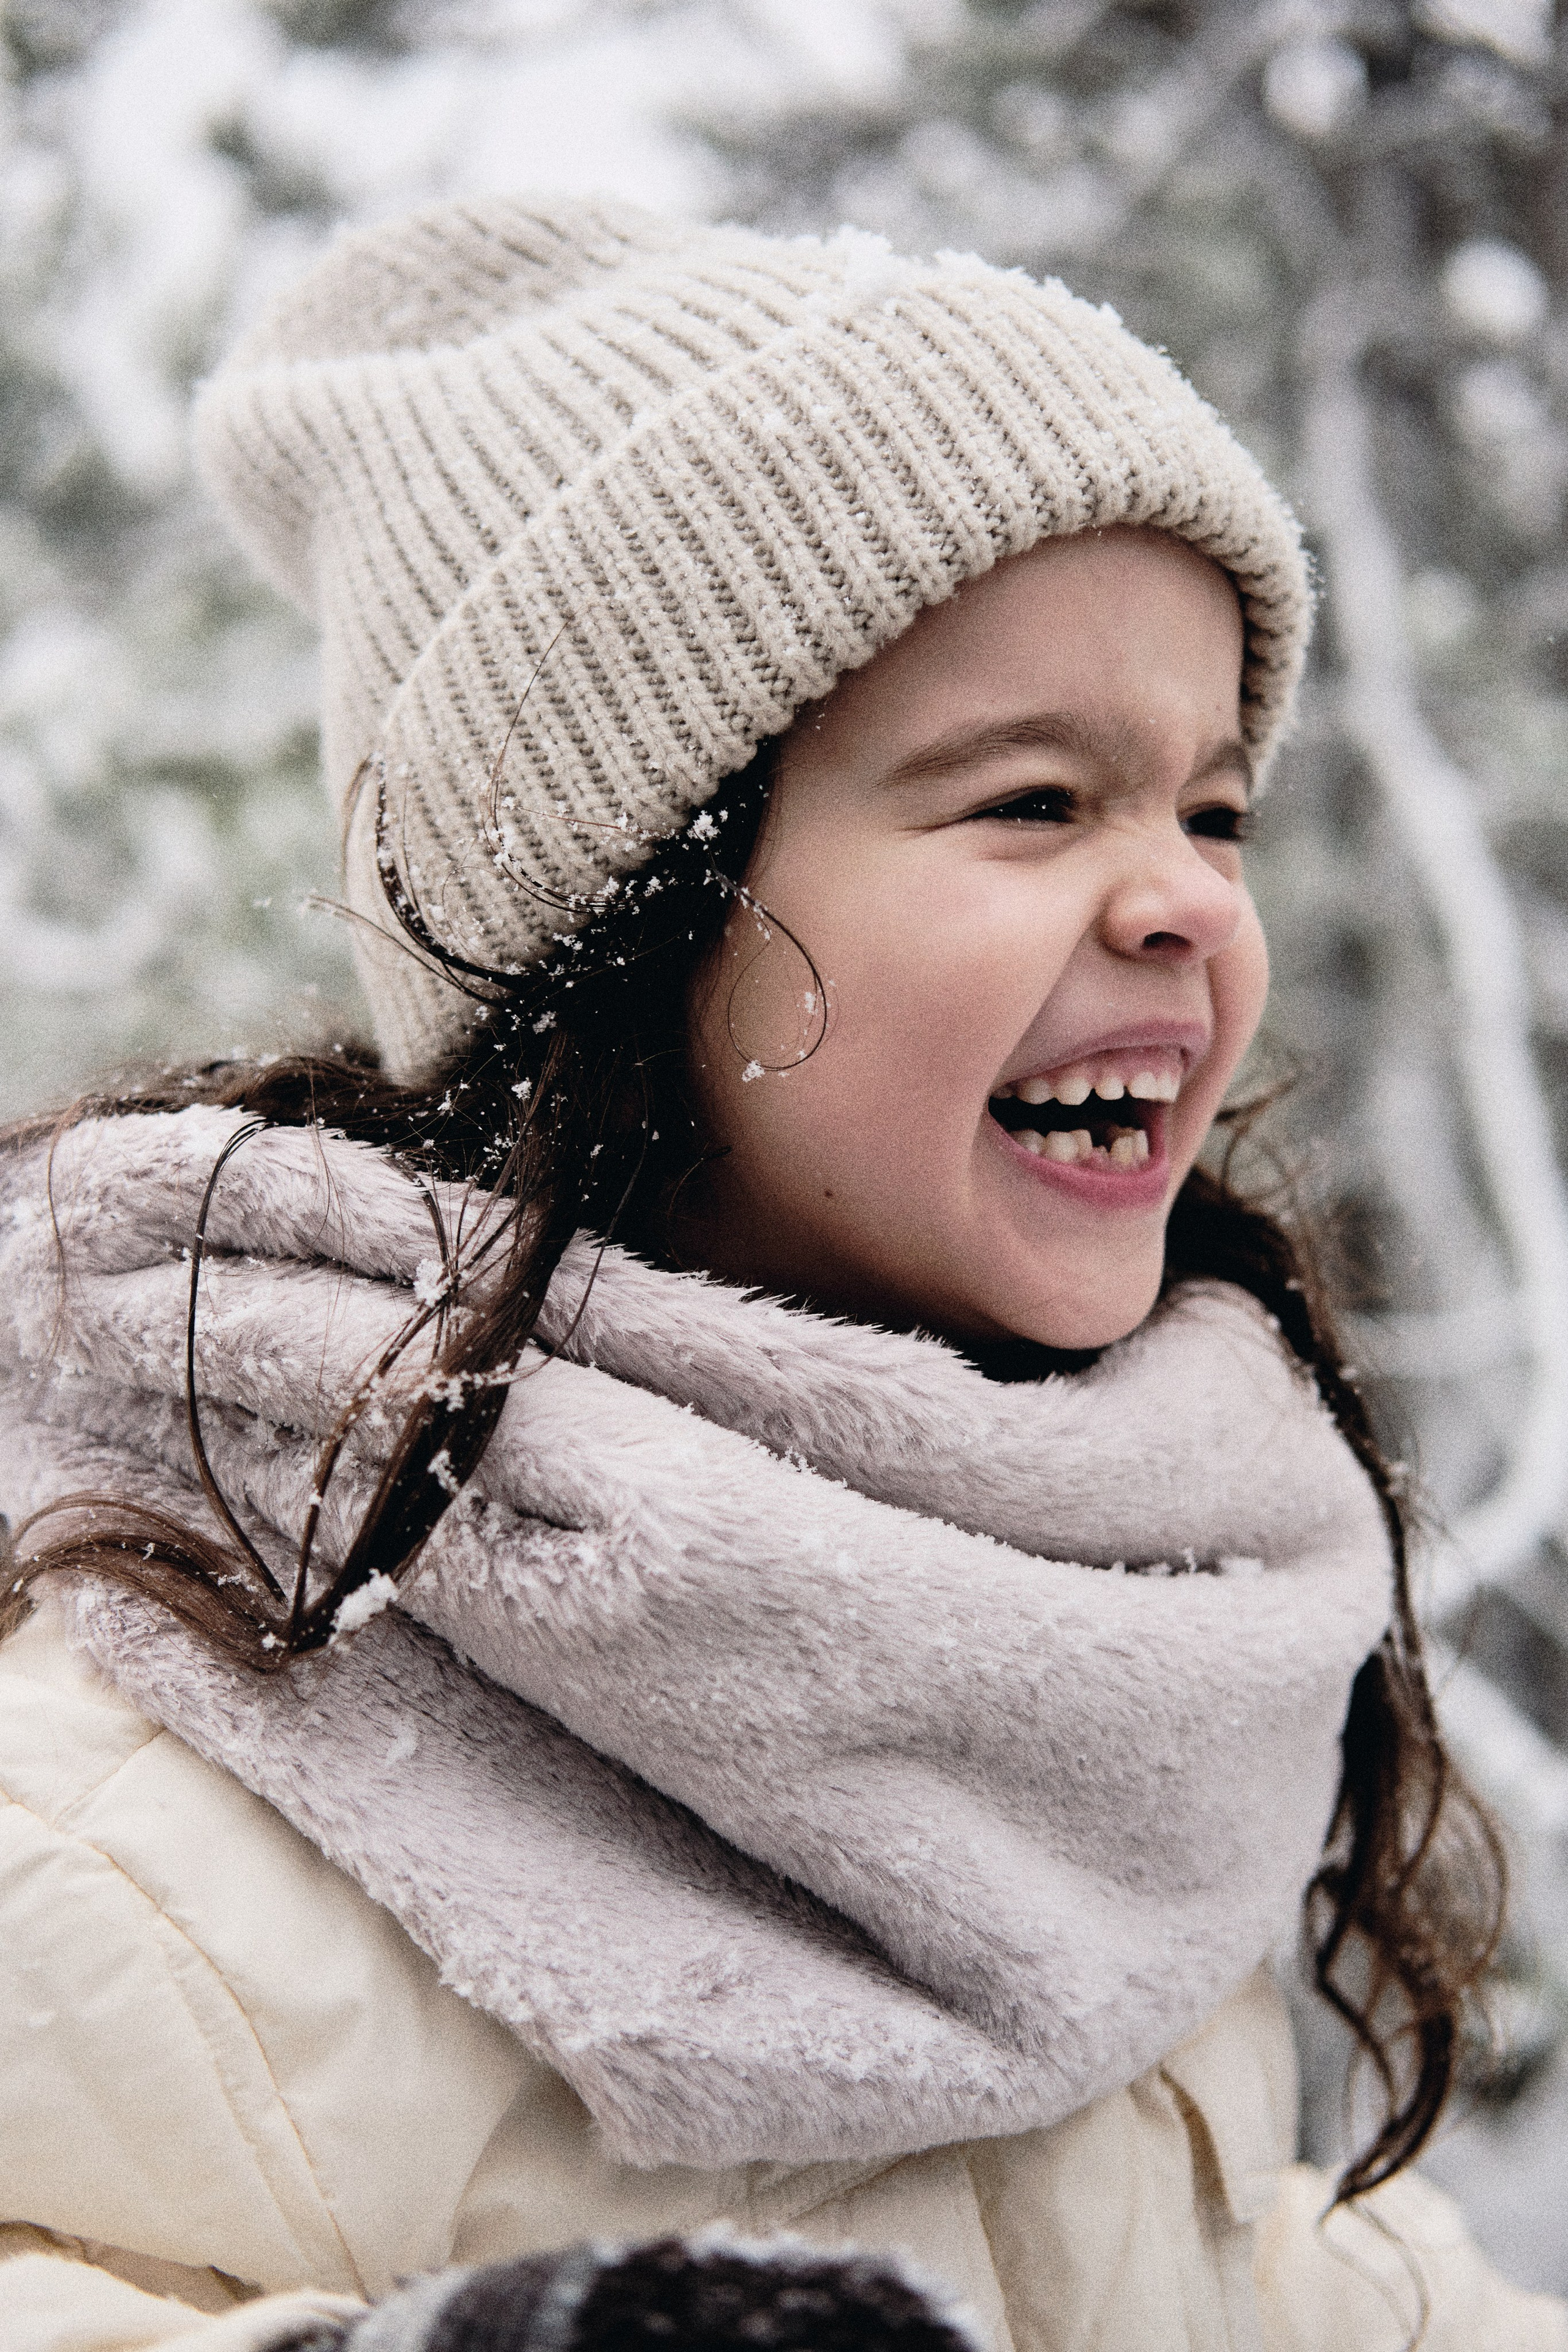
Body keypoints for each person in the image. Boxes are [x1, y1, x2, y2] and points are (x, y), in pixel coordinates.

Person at [0, 198, 1558, 2352]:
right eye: (1035, 801)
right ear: (635, 915)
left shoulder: (1119, 1623)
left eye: (1214, 812)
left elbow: (1181, 2264)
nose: (1191, 904)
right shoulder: (174, 1760)